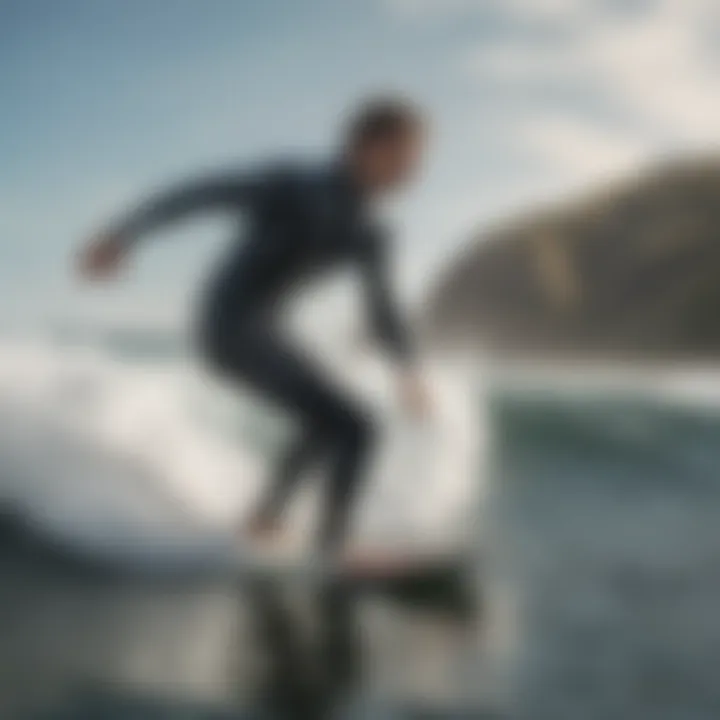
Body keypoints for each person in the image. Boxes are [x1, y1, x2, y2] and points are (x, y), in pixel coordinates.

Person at [77, 96, 432, 557]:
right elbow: (202, 193)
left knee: (332, 422)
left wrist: (406, 369)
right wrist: (123, 233)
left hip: (263, 331)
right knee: (355, 427)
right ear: (369, 146)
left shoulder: (371, 232)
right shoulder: (295, 185)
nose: (414, 170)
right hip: (227, 327)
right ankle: (333, 550)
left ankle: (265, 522)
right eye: (407, 156)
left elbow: (381, 306)